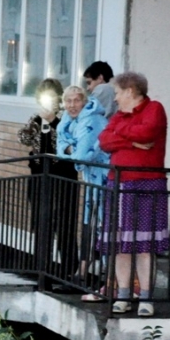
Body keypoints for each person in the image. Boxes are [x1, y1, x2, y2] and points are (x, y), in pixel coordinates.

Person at [98, 71, 169, 317]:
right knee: (120, 244)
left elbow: (147, 134)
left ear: (129, 91)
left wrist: (122, 135)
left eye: (117, 93)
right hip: (118, 184)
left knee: (144, 244)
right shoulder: (119, 115)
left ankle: (147, 297)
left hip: (147, 184)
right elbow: (104, 140)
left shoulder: (155, 109)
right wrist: (130, 142)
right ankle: (124, 294)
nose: (115, 99)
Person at [18, 78, 79, 290]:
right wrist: (38, 122)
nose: (49, 102)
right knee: (42, 225)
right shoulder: (37, 118)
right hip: (39, 178)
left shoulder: (66, 120)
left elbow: (63, 145)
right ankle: (42, 273)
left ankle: (70, 273)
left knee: (64, 226)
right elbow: (23, 138)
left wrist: (52, 122)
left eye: (53, 97)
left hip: (62, 177)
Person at [56, 84, 110, 296]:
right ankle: (81, 274)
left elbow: (83, 155)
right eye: (68, 101)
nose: (72, 105)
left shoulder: (92, 119)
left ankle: (108, 278)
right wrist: (70, 148)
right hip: (90, 180)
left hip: (104, 180)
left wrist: (69, 149)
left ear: (85, 101)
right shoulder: (69, 121)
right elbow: (60, 145)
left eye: (76, 100)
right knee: (88, 225)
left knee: (104, 226)